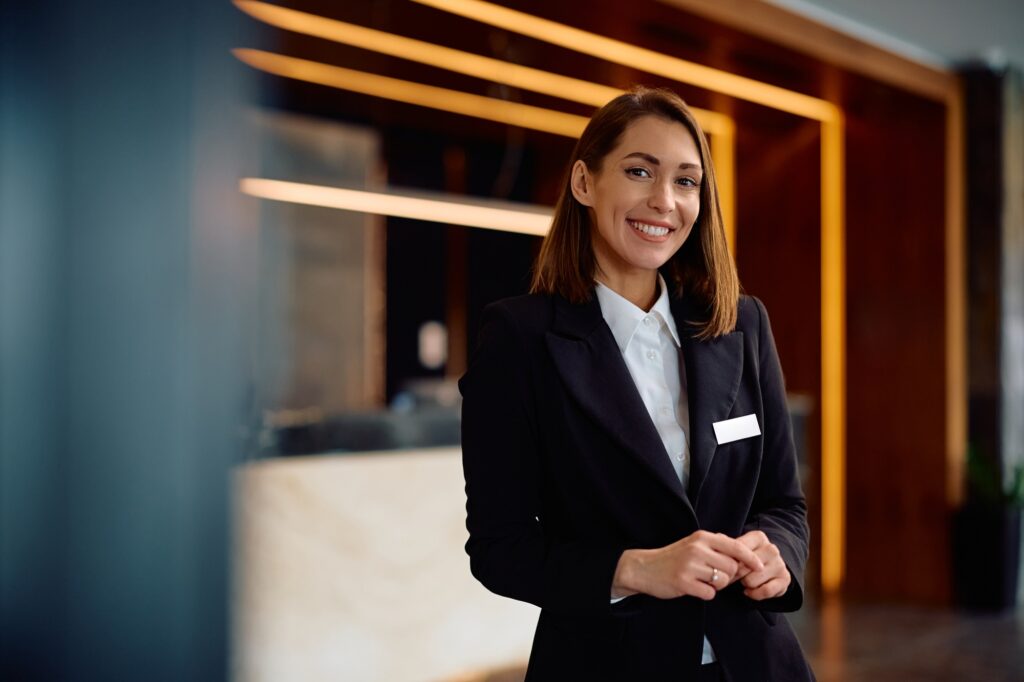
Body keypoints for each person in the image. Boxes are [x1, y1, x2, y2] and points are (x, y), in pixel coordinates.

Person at [458, 87, 814, 681]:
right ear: (583, 183)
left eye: (686, 181)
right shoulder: (519, 338)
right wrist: (636, 569)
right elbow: (500, 548)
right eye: (639, 171)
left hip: (754, 663)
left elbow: (785, 505)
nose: (663, 201)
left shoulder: (741, 324)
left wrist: (778, 557)